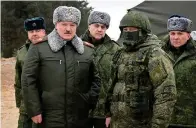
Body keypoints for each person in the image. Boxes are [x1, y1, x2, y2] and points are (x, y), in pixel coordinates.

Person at [21, 6, 101, 128]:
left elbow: (96, 79)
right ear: (56, 24)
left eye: (72, 25)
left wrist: (88, 100)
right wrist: (34, 110)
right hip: (49, 118)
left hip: (80, 118)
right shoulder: (38, 48)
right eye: (64, 24)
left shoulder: (87, 50)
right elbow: (28, 80)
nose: (68, 29)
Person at [105, 10, 177, 128]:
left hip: (142, 123)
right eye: (125, 30)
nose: (128, 32)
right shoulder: (120, 53)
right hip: (117, 122)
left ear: (143, 31)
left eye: (132, 29)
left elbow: (166, 95)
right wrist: (108, 114)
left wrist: (158, 125)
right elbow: (111, 85)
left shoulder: (155, 54)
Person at [80, 11, 120, 128]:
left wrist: (112, 111)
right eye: (96, 25)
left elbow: (118, 80)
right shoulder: (76, 46)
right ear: (89, 26)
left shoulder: (115, 49)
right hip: (81, 108)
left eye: (103, 27)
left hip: (104, 110)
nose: (100, 29)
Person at [161, 15, 196, 128]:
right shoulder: (159, 54)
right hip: (163, 118)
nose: (175, 37)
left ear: (188, 35)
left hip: (189, 118)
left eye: (180, 33)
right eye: (172, 33)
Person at [14, 17, 46, 128]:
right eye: (31, 31)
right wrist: (20, 103)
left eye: (38, 31)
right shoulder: (21, 51)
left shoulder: (51, 49)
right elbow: (18, 80)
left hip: (45, 103)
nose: (34, 34)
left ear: (44, 31)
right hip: (26, 104)